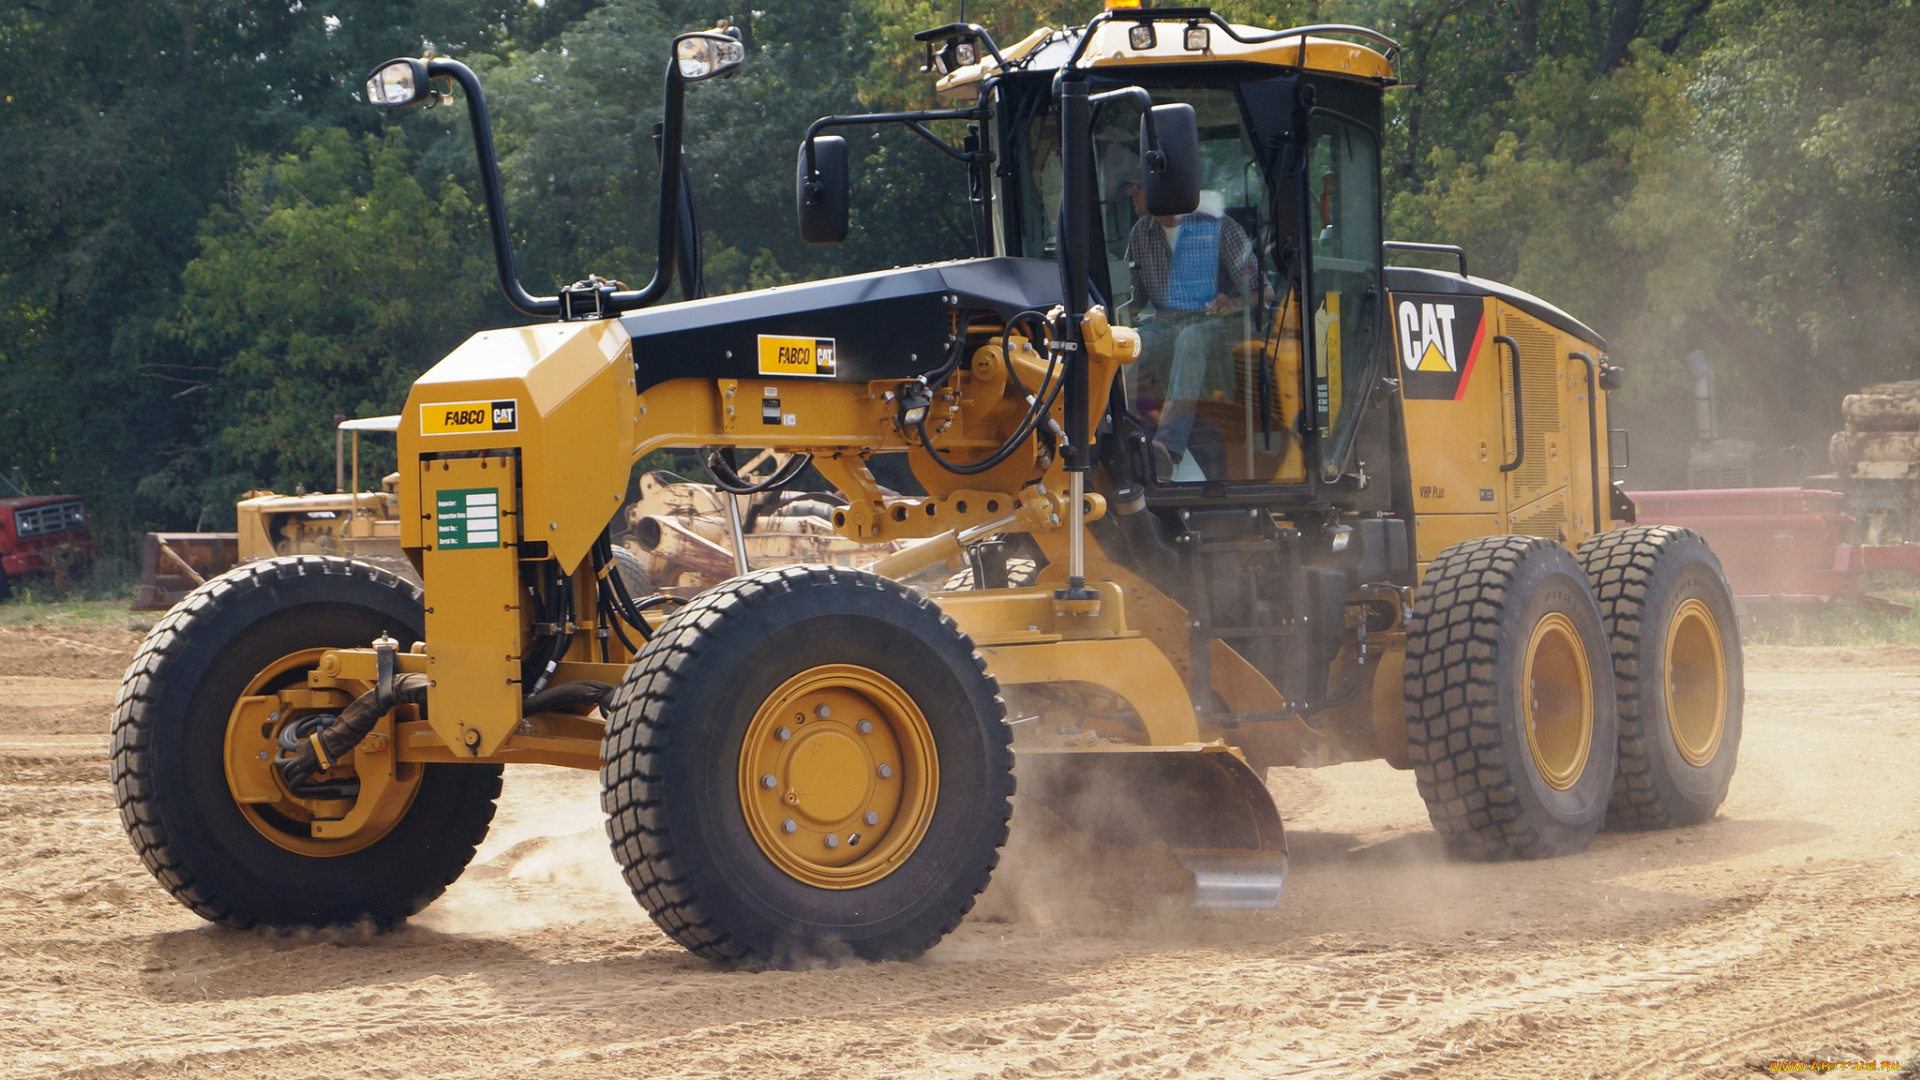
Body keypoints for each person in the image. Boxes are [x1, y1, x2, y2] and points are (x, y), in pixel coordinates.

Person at [1122, 180, 1259, 479]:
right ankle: (1126, 434)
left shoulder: (1219, 227)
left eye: (1138, 184)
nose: (1131, 191)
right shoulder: (1140, 234)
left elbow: (1264, 292)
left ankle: (1167, 451)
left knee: (1191, 337)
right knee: (1127, 345)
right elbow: (1130, 301)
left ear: (1165, 186)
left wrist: (1234, 302)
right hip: (1166, 323)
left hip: (1218, 325)